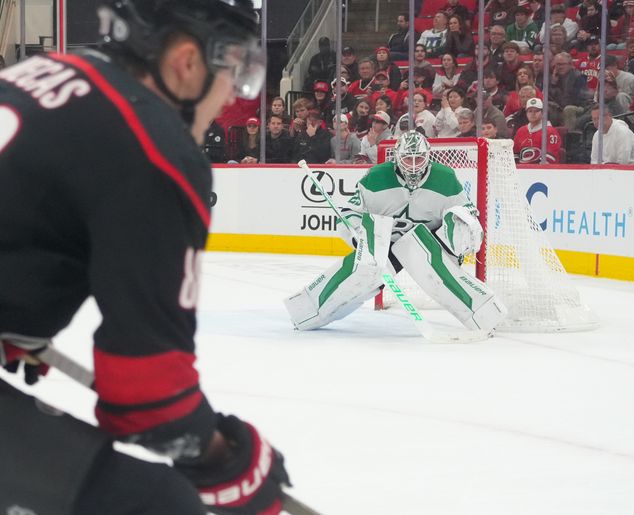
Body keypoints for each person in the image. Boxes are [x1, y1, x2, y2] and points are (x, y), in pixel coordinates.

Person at [0, 1, 291, 515]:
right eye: (234, 70)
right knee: (157, 505)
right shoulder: (156, 150)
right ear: (185, 61)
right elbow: (148, 400)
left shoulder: (42, 70)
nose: (232, 97)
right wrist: (228, 461)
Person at [284, 132, 507, 333]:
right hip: (386, 243)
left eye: (418, 159)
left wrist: (459, 235)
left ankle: (486, 314)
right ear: (397, 158)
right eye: (407, 159)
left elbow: (466, 215)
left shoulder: (445, 179)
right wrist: (359, 235)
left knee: (433, 268)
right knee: (362, 274)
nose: (413, 166)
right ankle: (307, 310)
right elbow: (349, 213)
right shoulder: (377, 176)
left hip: (431, 243)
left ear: (428, 157)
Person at [513, 98, 563, 163]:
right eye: (530, 111)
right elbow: (515, 155)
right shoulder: (521, 131)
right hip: (522, 170)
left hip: (542, 171)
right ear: (526, 113)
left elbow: (550, 159)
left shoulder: (551, 132)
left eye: (536, 111)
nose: (533, 114)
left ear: (542, 113)